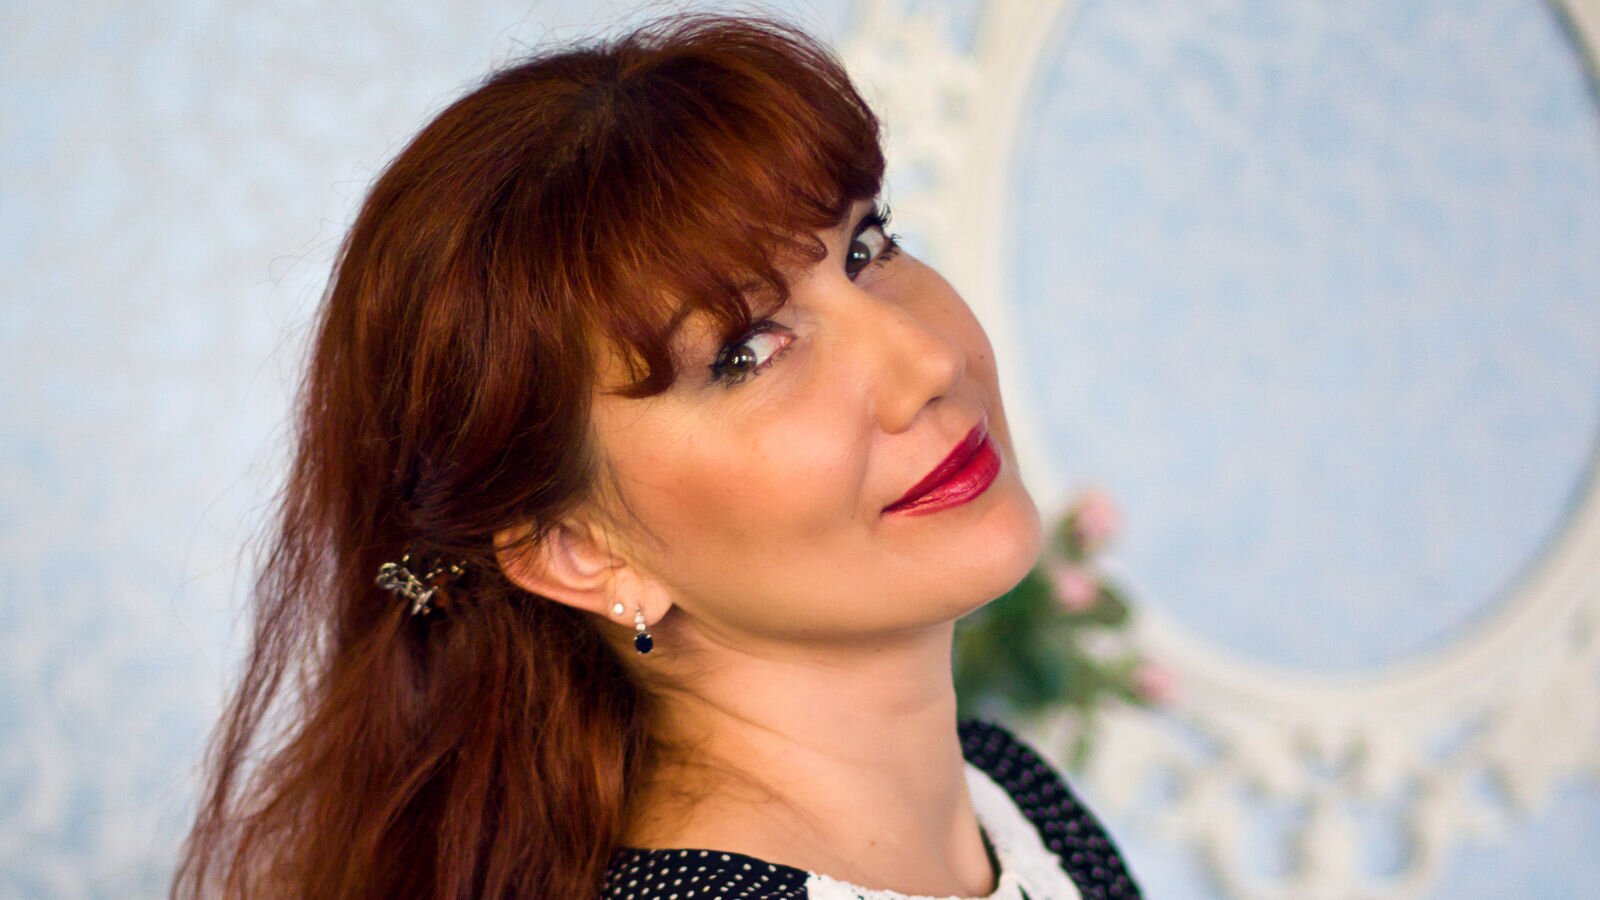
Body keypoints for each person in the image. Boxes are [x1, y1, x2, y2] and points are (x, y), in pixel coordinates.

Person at [174, 11, 1141, 900]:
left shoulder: (1009, 793)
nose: (926, 359)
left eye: (865, 248)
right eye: (747, 351)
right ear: (580, 552)